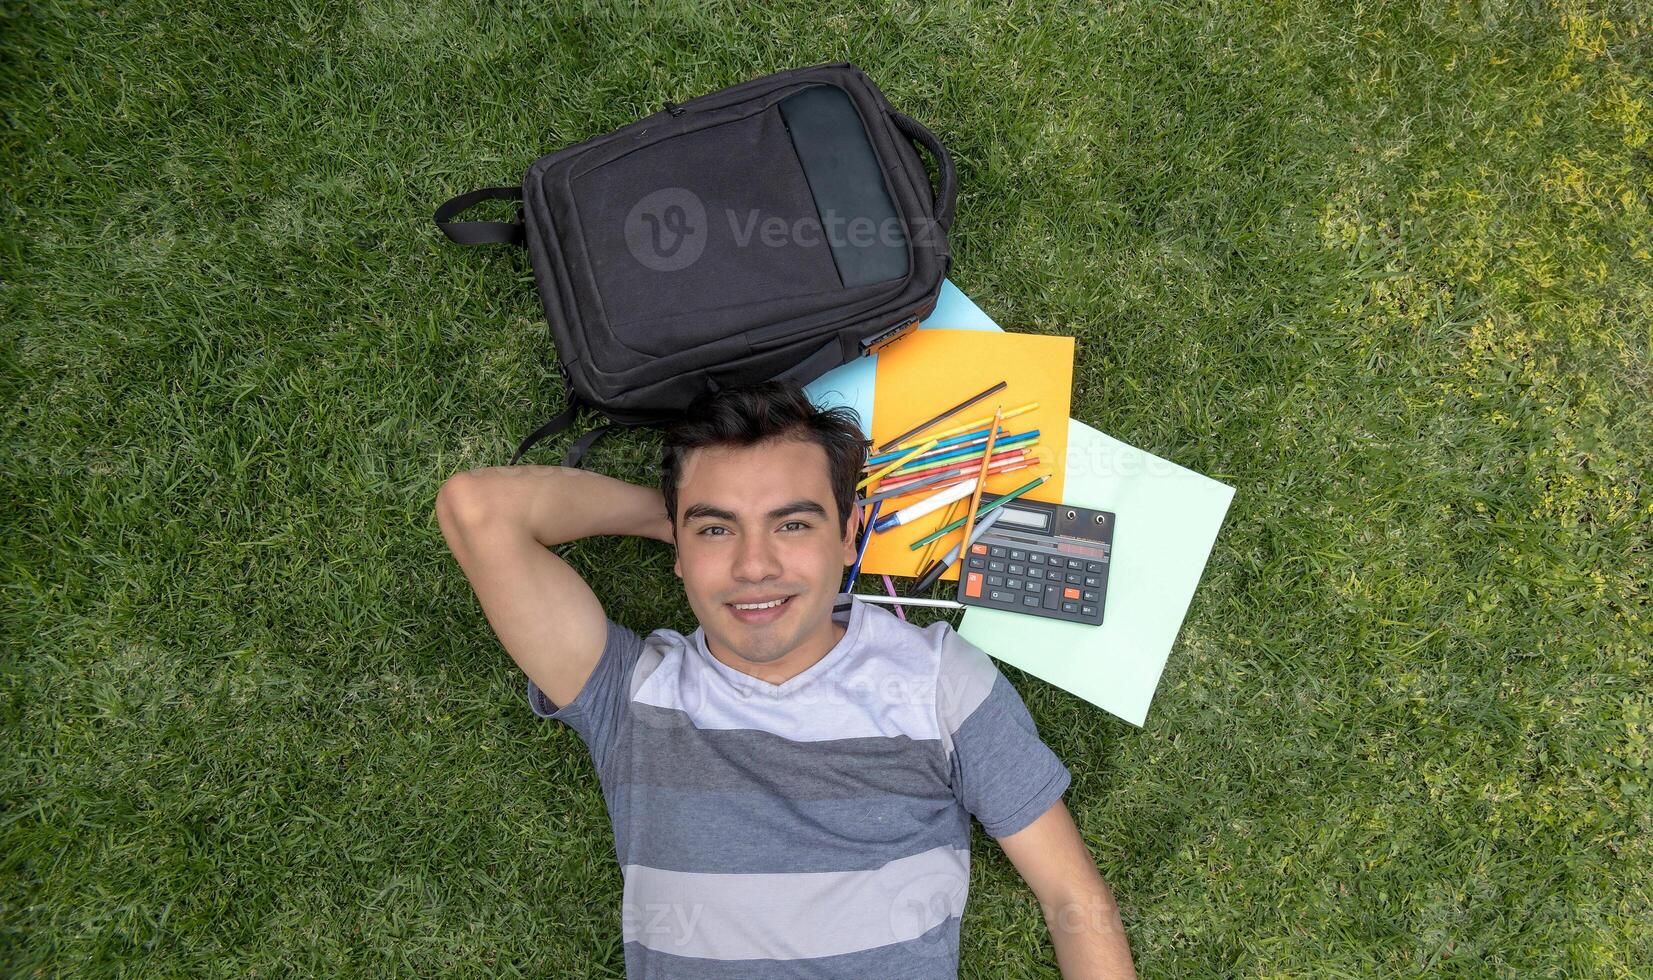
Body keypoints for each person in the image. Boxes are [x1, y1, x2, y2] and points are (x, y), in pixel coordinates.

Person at [436, 380, 1136, 979]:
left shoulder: (935, 679)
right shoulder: (631, 691)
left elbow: (1075, 902)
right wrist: (677, 519)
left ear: (847, 534)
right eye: (716, 532)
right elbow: (478, 509)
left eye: (791, 525)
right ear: (677, 549)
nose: (754, 567)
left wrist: (707, 522)